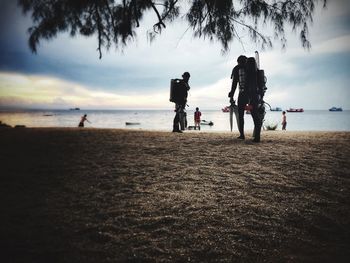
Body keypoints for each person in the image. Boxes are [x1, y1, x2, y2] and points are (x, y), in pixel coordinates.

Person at [228, 55, 262, 142]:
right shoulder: (254, 70)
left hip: (243, 94)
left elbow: (235, 83)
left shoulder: (238, 69)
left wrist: (231, 94)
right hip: (254, 95)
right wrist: (260, 97)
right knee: (255, 115)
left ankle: (242, 135)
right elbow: (260, 85)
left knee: (241, 115)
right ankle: (257, 136)